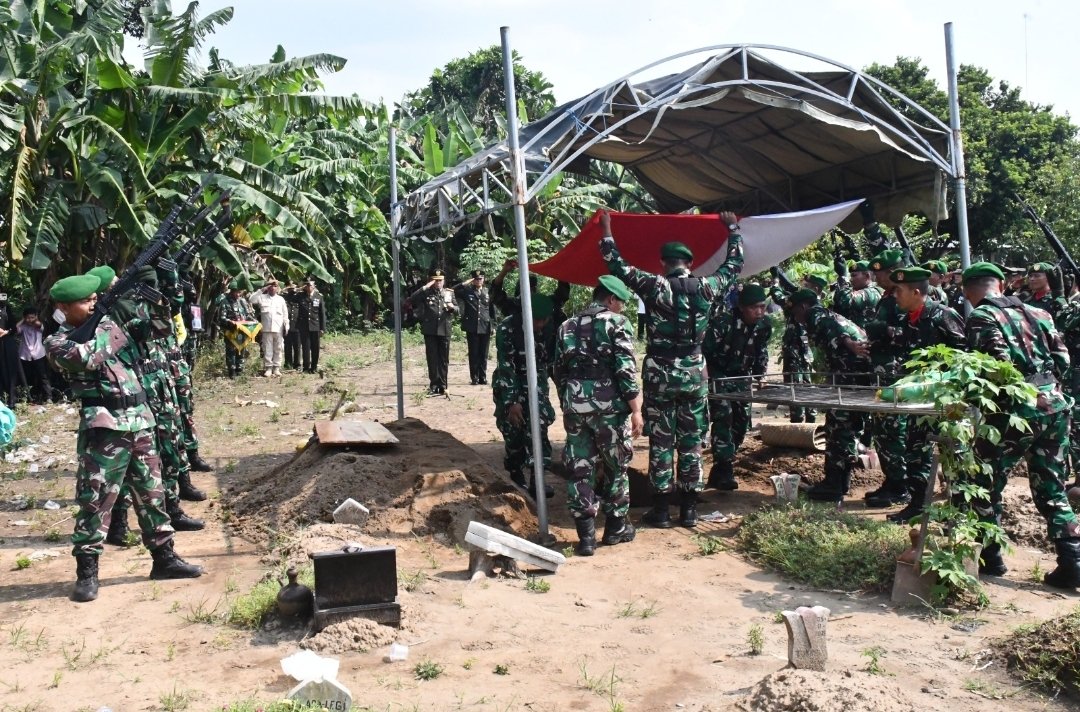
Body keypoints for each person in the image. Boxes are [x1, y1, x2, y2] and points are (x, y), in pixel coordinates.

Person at [44, 273, 203, 602]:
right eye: (85, 301)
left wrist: (159, 298)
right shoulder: (58, 342)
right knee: (95, 501)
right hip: (105, 430)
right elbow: (89, 357)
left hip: (140, 421)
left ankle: (164, 558)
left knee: (152, 496)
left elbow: (160, 329)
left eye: (95, 300)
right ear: (63, 306)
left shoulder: (108, 325)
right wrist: (109, 319)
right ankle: (87, 572)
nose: (93, 305)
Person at [600, 209, 744, 528]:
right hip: (694, 374)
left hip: (661, 375)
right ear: (690, 263)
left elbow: (617, 265)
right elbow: (734, 265)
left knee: (662, 441)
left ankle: (662, 511)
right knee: (691, 441)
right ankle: (689, 510)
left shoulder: (654, 286)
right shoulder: (707, 287)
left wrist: (607, 229)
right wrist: (733, 229)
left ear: (663, 263)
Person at [961, 262, 1080, 587]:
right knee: (1052, 485)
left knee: (984, 480)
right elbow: (1063, 360)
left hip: (1014, 411)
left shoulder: (982, 316)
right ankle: (1073, 560)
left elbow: (996, 366)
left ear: (968, 291)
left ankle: (990, 558)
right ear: (1000, 284)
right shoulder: (1039, 313)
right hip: (1054, 406)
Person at [554, 275, 643, 555]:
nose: (622, 308)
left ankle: (586, 538)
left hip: (575, 405)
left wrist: (568, 402)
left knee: (580, 468)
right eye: (621, 303)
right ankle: (615, 529)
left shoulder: (566, 326)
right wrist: (636, 409)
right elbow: (626, 370)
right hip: (610, 408)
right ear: (611, 299)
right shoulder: (617, 324)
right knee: (617, 465)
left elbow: (558, 370)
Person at [885, 266, 966, 522]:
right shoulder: (908, 319)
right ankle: (919, 506)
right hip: (919, 400)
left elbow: (964, 356)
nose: (894, 295)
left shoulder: (943, 316)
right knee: (915, 451)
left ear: (916, 292)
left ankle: (958, 513)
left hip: (946, 400)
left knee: (954, 454)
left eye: (898, 290)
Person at [788, 289, 871, 502]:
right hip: (857, 379)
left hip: (849, 380)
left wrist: (849, 344)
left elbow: (837, 331)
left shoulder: (815, 314)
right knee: (848, 428)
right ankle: (841, 482)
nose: (796, 317)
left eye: (795, 312)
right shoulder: (829, 313)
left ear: (803, 307)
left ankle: (833, 485)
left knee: (838, 428)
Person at [704, 281, 772, 491]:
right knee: (724, 416)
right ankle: (725, 469)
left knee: (742, 421)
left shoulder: (764, 325)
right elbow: (705, 352)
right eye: (754, 307)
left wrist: (760, 374)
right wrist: (707, 378)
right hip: (719, 374)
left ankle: (720, 469)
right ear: (741, 307)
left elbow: (761, 350)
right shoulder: (723, 323)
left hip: (742, 375)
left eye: (762, 307)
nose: (759, 312)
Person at [864, 248, 915, 509]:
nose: (877, 277)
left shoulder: (904, 298)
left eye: (881, 273)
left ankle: (900, 486)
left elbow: (910, 334)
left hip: (896, 374)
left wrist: (882, 330)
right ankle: (892, 481)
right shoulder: (887, 297)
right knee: (882, 431)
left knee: (894, 430)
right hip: (881, 373)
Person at [492, 293, 558, 499]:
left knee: (539, 426)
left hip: (536, 383)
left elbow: (549, 361)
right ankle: (515, 471)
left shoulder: (548, 328)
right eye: (537, 320)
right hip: (511, 382)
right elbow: (506, 365)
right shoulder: (507, 328)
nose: (540, 325)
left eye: (544, 320)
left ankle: (537, 479)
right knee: (514, 430)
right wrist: (512, 401)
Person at [770, 270, 816, 424]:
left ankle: (797, 419)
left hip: (794, 350)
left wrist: (776, 281)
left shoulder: (796, 304)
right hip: (805, 349)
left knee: (793, 385)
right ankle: (811, 416)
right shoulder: (812, 302)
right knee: (807, 383)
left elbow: (777, 295)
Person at [410, 269, 458, 395]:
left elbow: (458, 309)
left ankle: (443, 385)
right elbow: (412, 299)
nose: (438, 283)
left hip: (444, 329)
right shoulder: (426, 293)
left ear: (444, 281)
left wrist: (453, 308)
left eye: (440, 280)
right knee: (432, 358)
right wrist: (426, 286)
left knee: (444, 359)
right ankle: (434, 384)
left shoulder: (449, 293)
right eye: (435, 281)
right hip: (430, 330)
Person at [454, 270, 493, 385]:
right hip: (472, 327)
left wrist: (493, 325)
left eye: (480, 278)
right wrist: (465, 283)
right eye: (476, 279)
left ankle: (482, 377)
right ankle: (474, 377)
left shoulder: (487, 291)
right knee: (474, 353)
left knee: (484, 354)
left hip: (485, 326)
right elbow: (452, 290)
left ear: (484, 279)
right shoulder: (467, 291)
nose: (479, 281)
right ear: (473, 280)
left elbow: (492, 310)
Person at [249, 279, 290, 377]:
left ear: (277, 288)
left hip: (278, 328)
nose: (273, 288)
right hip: (266, 328)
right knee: (267, 348)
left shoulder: (280, 299)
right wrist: (262, 290)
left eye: (275, 286)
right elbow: (251, 300)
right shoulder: (262, 298)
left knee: (278, 348)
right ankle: (268, 368)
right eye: (270, 286)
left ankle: (276, 368)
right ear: (267, 287)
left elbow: (285, 314)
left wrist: (287, 325)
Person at [219, 280, 258, 378]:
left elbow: (247, 315)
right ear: (231, 291)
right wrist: (231, 322)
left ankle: (240, 369)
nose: (238, 294)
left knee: (241, 350)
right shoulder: (225, 302)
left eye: (239, 292)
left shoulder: (242, 301)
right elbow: (222, 318)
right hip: (231, 331)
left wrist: (254, 320)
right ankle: (232, 370)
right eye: (236, 292)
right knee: (231, 351)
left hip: (242, 330)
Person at [15, 307, 53, 404]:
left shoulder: (39, 326)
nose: (30, 320)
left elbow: (39, 324)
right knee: (27, 377)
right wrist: (23, 320)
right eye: (28, 318)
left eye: (32, 317)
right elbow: (16, 328)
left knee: (43, 376)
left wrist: (34, 319)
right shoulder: (23, 327)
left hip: (38, 354)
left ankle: (48, 397)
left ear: (36, 317)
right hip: (25, 355)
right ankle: (29, 397)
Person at [832, 259, 882, 329]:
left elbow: (846, 300)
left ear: (867, 276)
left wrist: (843, 277)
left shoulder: (872, 293)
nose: (851, 279)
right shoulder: (854, 290)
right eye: (851, 276)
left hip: (865, 334)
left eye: (854, 276)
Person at [0, 288, 25, 406]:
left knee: (10, 369)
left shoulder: (6, 308)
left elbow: (13, 327)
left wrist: (6, 332)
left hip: (6, 343)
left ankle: (12, 400)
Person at [298, 276, 327, 374]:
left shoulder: (318, 297)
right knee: (305, 348)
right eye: (307, 285)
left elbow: (322, 314)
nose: (309, 287)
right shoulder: (301, 296)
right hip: (304, 326)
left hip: (315, 326)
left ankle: (314, 367)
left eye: (310, 285)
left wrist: (322, 328)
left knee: (315, 348)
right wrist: (299, 289)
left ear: (314, 286)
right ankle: (306, 367)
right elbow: (290, 298)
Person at [283, 283, 301, 371]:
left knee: (297, 346)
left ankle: (297, 364)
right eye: (290, 288)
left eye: (293, 288)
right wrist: (285, 289)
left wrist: (298, 290)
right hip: (287, 326)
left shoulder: (299, 298)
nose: (292, 290)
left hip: (297, 326)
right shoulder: (284, 298)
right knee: (287, 346)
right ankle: (288, 363)